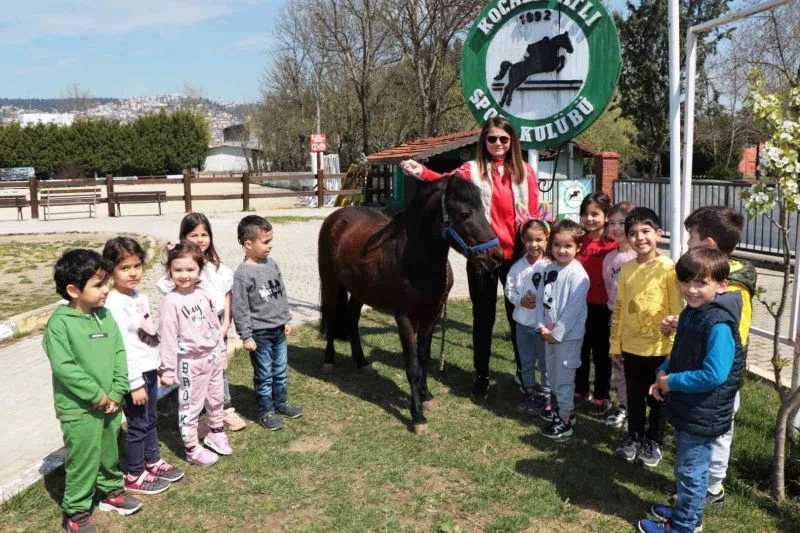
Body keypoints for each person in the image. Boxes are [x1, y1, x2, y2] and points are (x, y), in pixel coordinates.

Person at [399, 116, 541, 399]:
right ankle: (481, 375)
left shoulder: (525, 171)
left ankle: (524, 373)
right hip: (483, 255)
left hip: (517, 255)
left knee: (520, 317)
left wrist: (538, 248)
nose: (497, 144)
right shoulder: (472, 170)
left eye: (503, 138)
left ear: (511, 141)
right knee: (483, 317)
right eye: (492, 139)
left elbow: (534, 213)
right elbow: (445, 183)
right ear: (483, 142)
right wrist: (421, 171)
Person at [637, 247, 743, 533]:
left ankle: (684, 525)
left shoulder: (718, 324)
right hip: (691, 406)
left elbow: (714, 374)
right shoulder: (693, 313)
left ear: (721, 285)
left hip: (703, 410)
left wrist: (672, 382)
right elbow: (683, 352)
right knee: (688, 467)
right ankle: (687, 511)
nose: (691, 289)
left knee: (691, 471)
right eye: (685, 281)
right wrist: (663, 371)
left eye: (701, 282)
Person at [662, 206, 757, 507]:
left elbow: (729, 339)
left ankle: (712, 487)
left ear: (709, 244)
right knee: (703, 442)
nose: (688, 243)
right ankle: (699, 483)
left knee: (717, 436)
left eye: (691, 237)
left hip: (719, 379)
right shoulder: (712, 284)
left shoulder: (733, 290)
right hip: (704, 373)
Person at [43, 249, 141, 533]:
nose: (106, 289)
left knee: (109, 451)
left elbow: (119, 353)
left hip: (111, 403)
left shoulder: (105, 316)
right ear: (74, 290)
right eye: (98, 285)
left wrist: (116, 391)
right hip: (80, 408)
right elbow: (65, 368)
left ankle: (111, 491)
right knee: (83, 459)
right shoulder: (60, 323)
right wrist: (96, 396)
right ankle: (76, 511)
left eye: (105, 282)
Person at [103, 237, 182, 496]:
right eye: (125, 268)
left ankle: (152, 460)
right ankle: (135, 474)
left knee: (150, 419)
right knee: (136, 425)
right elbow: (122, 348)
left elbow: (149, 333)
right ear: (110, 269)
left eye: (137, 266)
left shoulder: (140, 296)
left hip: (149, 368)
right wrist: (134, 383)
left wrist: (159, 364)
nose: (133, 272)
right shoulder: (113, 304)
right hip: (133, 375)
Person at [157, 213, 246, 432]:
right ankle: (196, 413)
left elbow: (227, 298)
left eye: (204, 234)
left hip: (216, 325)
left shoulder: (218, 268)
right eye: (193, 235)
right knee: (194, 372)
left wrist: (225, 324)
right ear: (183, 237)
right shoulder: (181, 269)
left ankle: (224, 407)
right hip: (190, 329)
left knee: (219, 369)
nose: (200, 239)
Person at [611, 207, 683, 467]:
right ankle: (634, 435)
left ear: (659, 233)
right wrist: (615, 343)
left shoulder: (668, 268)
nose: (640, 238)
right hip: (631, 347)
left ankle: (654, 441)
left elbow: (677, 310)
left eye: (645, 231)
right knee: (634, 397)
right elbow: (619, 307)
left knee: (658, 399)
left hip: (659, 349)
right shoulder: (627, 270)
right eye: (633, 233)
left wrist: (672, 348)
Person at [159, 241, 232, 467]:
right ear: (170, 271)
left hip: (211, 358)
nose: (184, 275)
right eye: (178, 270)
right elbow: (167, 337)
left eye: (190, 269)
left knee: (216, 398)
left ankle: (216, 431)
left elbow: (214, 325)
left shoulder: (203, 294)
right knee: (190, 407)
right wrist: (168, 369)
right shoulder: (170, 301)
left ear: (199, 270)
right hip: (190, 363)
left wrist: (221, 351)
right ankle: (191, 448)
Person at [232, 215, 303, 431]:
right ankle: (266, 411)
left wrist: (286, 319)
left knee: (280, 370)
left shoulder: (272, 264)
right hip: (260, 334)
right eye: (265, 242)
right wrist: (246, 336)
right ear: (248, 244)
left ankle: (281, 403)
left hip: (278, 330)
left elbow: (280, 294)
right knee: (264, 375)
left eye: (271, 241)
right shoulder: (243, 274)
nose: (270, 246)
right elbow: (240, 308)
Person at [534, 219, 590, 439]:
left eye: (568, 246)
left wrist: (557, 334)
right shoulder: (548, 268)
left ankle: (564, 421)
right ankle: (565, 411)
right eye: (557, 245)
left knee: (564, 378)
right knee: (554, 376)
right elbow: (540, 300)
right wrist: (541, 326)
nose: (562, 250)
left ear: (578, 247)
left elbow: (573, 310)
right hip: (548, 336)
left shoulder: (578, 275)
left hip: (567, 338)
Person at [574, 192, 618, 416]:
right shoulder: (577, 243)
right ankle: (580, 390)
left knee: (602, 354)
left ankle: (602, 395)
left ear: (606, 216)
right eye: (585, 214)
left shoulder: (613, 245)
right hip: (580, 307)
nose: (589, 219)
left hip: (604, 308)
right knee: (580, 350)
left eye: (595, 214)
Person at [505, 219, 551, 414]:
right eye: (529, 240)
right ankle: (529, 389)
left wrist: (545, 301)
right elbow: (509, 289)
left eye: (539, 239)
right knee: (526, 359)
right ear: (523, 241)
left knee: (545, 360)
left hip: (543, 326)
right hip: (522, 324)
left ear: (547, 240)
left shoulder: (551, 265)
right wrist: (519, 301)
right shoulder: (517, 267)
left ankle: (547, 393)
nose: (534, 244)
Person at [601, 201, 637, 428]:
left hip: (637, 322)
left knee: (637, 367)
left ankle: (638, 405)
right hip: (615, 317)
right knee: (619, 363)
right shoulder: (609, 258)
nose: (615, 228)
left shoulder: (638, 257)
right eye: (611, 223)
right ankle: (624, 405)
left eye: (621, 223)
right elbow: (609, 289)